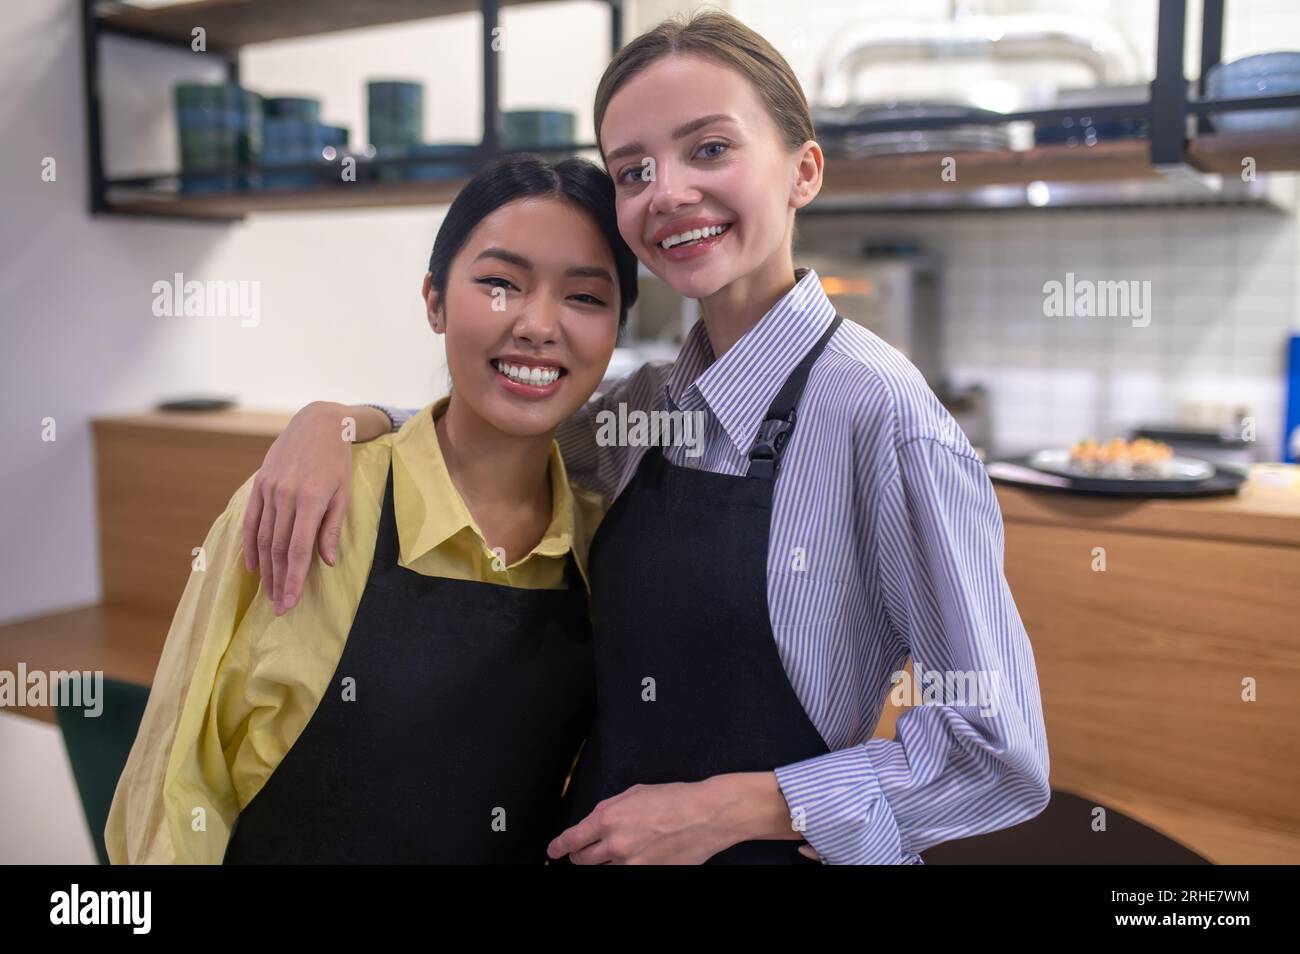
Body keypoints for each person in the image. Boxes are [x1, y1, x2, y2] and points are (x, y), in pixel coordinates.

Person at [238, 11, 1050, 865]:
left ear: (803, 170)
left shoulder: (884, 417)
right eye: (633, 170)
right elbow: (489, 437)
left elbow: (998, 752)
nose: (666, 193)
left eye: (709, 150)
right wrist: (339, 421)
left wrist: (733, 809)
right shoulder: (650, 405)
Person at [105, 154, 637, 863]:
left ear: (617, 330)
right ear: (435, 301)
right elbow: (173, 790)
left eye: (585, 298)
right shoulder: (308, 500)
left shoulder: (608, 543)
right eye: (500, 284)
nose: (539, 325)